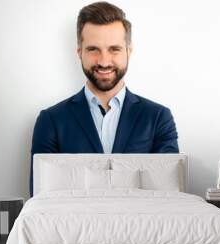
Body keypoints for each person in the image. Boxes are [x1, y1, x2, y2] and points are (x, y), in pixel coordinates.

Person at [29, 1, 179, 197]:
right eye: (93, 49)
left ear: (129, 52)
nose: (104, 61)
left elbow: (169, 197)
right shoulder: (51, 121)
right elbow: (41, 198)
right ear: (79, 52)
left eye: (114, 49)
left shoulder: (158, 118)